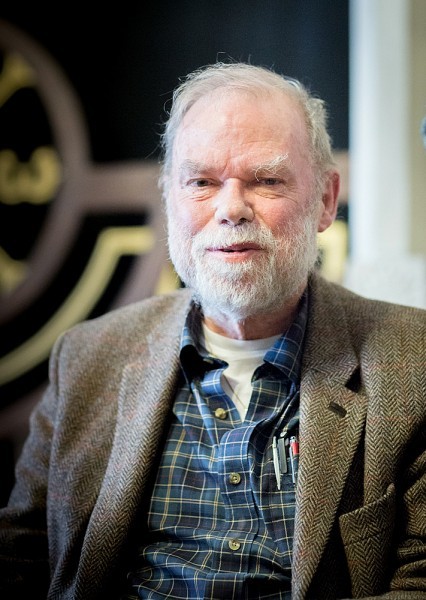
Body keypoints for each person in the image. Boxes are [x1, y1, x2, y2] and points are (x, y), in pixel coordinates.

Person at [0, 62, 425, 600]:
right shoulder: (86, 357)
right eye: (201, 182)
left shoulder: (414, 361)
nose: (231, 209)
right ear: (169, 198)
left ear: (324, 200)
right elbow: (19, 556)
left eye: (267, 181)